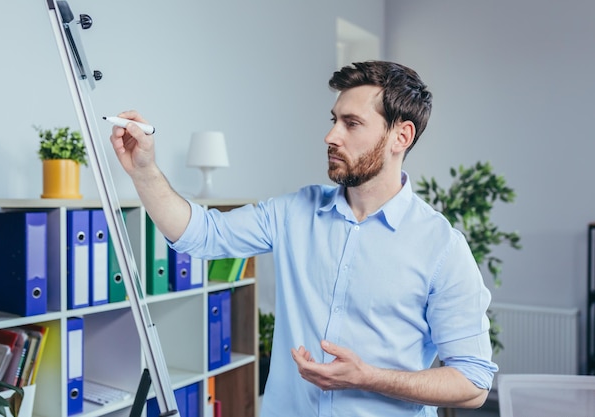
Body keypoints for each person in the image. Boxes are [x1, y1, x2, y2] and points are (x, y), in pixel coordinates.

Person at [110, 61, 498, 417]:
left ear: (401, 136)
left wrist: (367, 377)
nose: (331, 135)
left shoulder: (441, 247)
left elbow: (473, 381)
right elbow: (202, 235)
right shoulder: (294, 212)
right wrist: (144, 170)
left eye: (352, 123)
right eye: (334, 120)